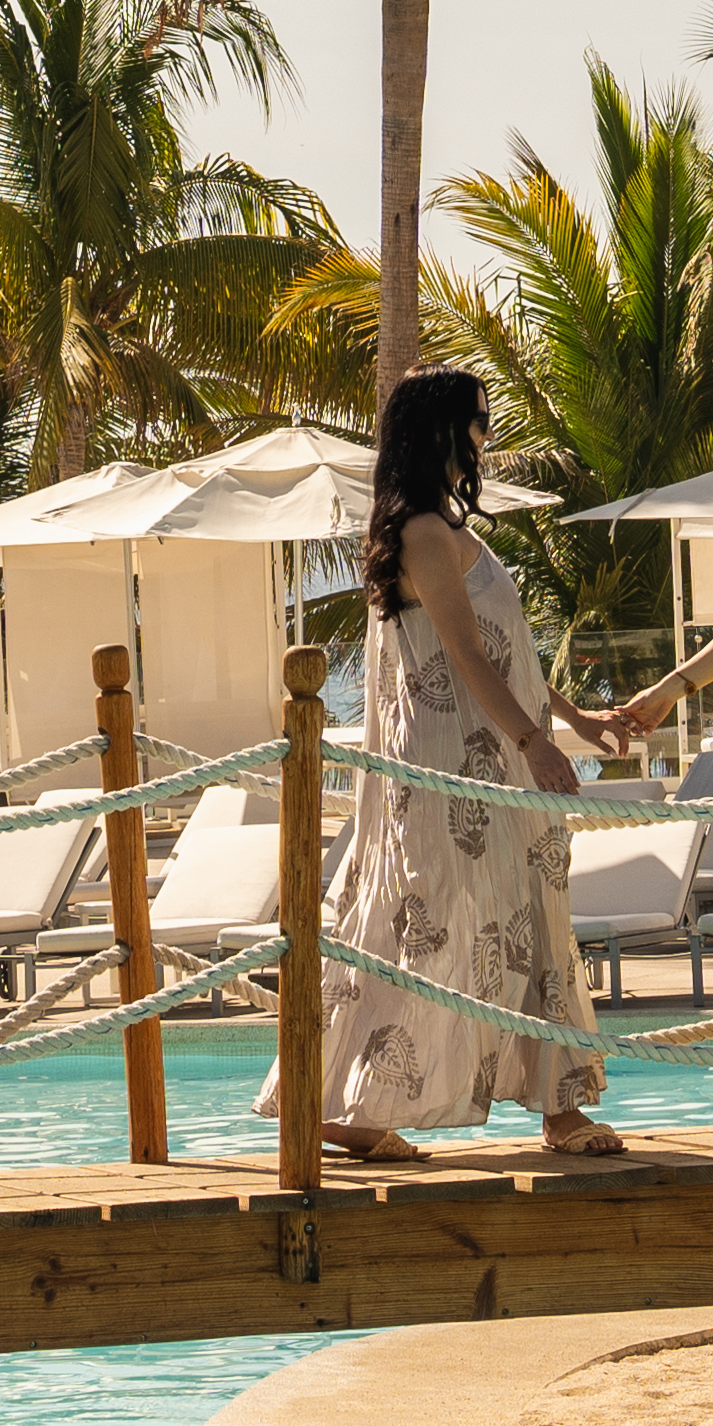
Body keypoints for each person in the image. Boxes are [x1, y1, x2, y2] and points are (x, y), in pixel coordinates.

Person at [297, 368, 621, 1169]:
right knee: (431, 922)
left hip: (491, 759)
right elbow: (464, 652)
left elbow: (511, 654)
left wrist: (571, 719)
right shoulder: (420, 532)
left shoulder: (447, 525)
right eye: (475, 420)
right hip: (458, 766)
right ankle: (545, 1112)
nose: (484, 434)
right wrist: (532, 743)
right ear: (437, 428)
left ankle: (544, 1105)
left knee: (516, 916)